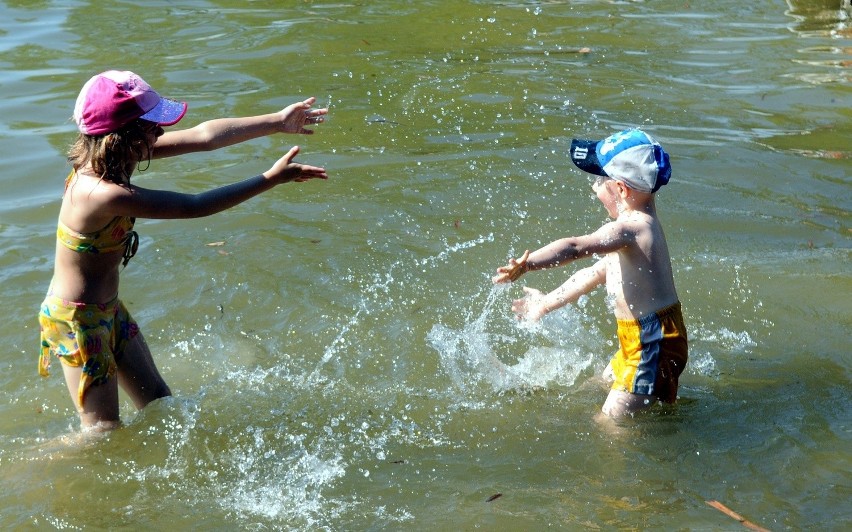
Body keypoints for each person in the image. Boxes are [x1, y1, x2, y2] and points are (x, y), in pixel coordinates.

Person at [38, 70, 329, 431]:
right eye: (152, 126)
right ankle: (41, 469)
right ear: (122, 138)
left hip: (109, 309)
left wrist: (277, 122)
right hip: (77, 321)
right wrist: (269, 179)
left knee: (159, 400)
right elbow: (193, 206)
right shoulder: (98, 192)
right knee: (102, 431)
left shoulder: (117, 158)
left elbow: (203, 136)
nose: (160, 132)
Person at [493, 128, 688, 418]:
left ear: (622, 190)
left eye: (600, 181)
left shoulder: (633, 229)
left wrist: (528, 263)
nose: (593, 188)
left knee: (609, 423)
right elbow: (593, 273)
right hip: (645, 338)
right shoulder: (634, 236)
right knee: (596, 385)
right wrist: (544, 304)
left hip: (652, 341)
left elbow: (574, 247)